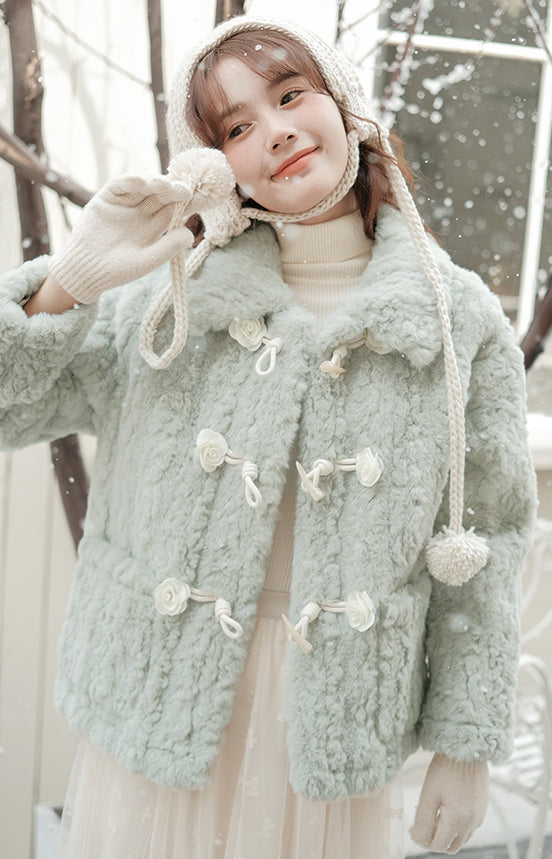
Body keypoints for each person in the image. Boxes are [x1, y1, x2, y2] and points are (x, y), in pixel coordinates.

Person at [0, 14, 536, 859]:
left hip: (329, 725)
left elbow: (489, 537)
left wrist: (465, 744)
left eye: (290, 95)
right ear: (217, 166)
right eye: (237, 128)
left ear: (342, 103)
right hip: (156, 707)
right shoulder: (169, 299)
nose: (275, 132)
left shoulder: (456, 317)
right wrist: (67, 284)